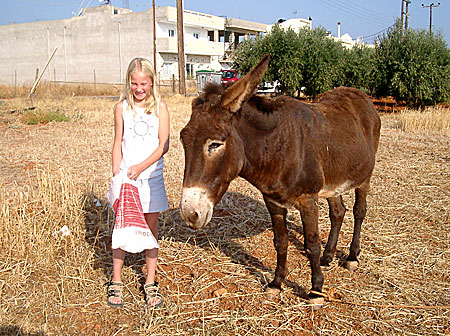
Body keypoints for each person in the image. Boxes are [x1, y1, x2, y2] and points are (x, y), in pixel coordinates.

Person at [107, 57, 170, 308]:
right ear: (129, 82)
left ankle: (151, 282)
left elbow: (163, 144)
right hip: (127, 180)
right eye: (134, 83)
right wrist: (117, 175)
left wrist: (141, 167)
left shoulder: (160, 108)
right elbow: (117, 142)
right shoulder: (121, 107)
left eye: (144, 83)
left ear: (152, 83)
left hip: (151, 178)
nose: (139, 88)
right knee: (122, 227)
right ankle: (116, 280)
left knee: (150, 227)